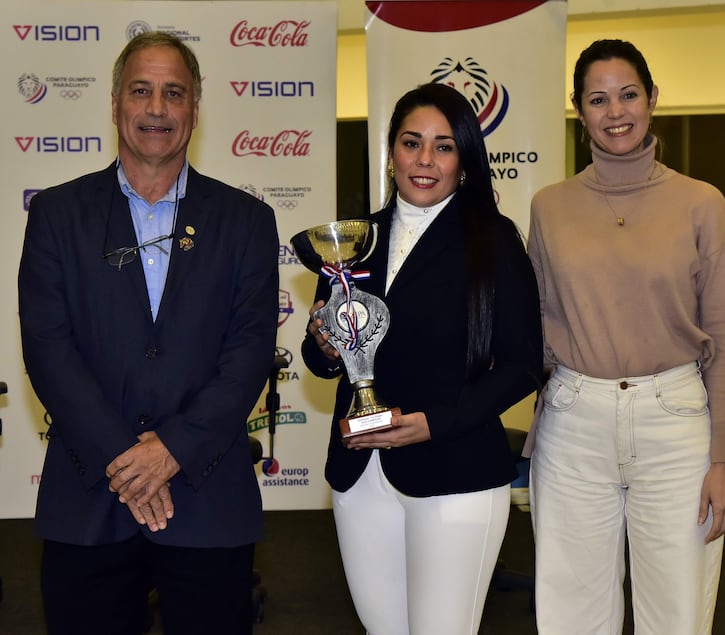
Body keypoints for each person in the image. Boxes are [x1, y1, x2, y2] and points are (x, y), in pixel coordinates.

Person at [18, 32, 278, 635]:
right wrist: (126, 459)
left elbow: (248, 354)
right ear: (115, 103)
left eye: (173, 93)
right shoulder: (57, 215)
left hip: (207, 494)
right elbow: (49, 350)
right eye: (141, 91)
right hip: (88, 498)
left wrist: (172, 451)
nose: (157, 108)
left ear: (194, 108)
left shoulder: (246, 221)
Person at [301, 82, 542, 635]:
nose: (425, 160)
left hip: (454, 471)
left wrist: (434, 424)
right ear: (391, 153)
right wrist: (321, 344)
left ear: (465, 159)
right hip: (360, 475)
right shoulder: (352, 241)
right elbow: (327, 363)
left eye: (443, 145)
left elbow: (522, 364)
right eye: (412, 143)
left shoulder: (494, 241)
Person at [525, 39, 725, 634]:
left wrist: (723, 455)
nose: (615, 111)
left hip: (675, 423)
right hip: (574, 423)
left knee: (677, 612)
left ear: (652, 99)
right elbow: (537, 322)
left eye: (628, 94)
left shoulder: (703, 204)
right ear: (578, 109)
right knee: (570, 611)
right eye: (597, 99)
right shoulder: (550, 206)